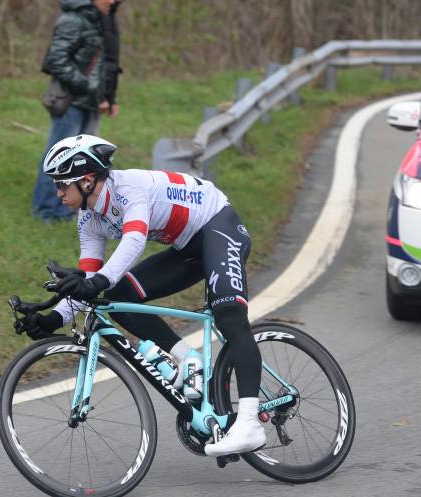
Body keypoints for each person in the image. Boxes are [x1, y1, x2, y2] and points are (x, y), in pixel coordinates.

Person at [25, 134, 266, 457]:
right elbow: (91, 281)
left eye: (62, 184)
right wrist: (52, 317)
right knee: (116, 298)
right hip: (186, 249)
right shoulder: (89, 218)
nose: (57, 193)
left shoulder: (128, 190)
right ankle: (187, 357)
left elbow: (134, 241)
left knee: (229, 315)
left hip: (218, 226)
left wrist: (97, 282)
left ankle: (250, 422)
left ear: (85, 181)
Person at [31, 0, 115, 221]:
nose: (114, 1)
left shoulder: (95, 20)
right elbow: (56, 61)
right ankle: (46, 211)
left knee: (77, 160)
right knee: (58, 157)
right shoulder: (72, 20)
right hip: (71, 101)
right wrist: (87, 86)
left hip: (86, 102)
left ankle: (62, 210)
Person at [87, 0, 122, 137]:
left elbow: (111, 61)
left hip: (97, 95)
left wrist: (110, 97)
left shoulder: (110, 15)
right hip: (83, 97)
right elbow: (92, 61)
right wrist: (100, 97)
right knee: (64, 151)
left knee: (86, 150)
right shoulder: (94, 14)